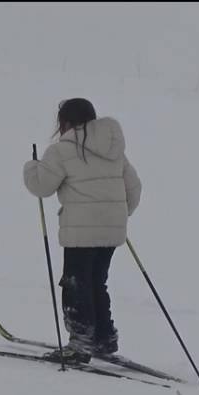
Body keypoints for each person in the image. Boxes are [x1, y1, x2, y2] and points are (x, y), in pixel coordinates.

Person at [23, 98, 141, 364]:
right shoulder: (114, 149)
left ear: (64, 122)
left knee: (76, 283)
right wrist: (117, 215)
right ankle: (103, 338)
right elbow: (134, 188)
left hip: (80, 232)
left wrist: (31, 167)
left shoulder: (61, 150)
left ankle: (80, 343)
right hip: (112, 230)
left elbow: (42, 186)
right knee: (97, 281)